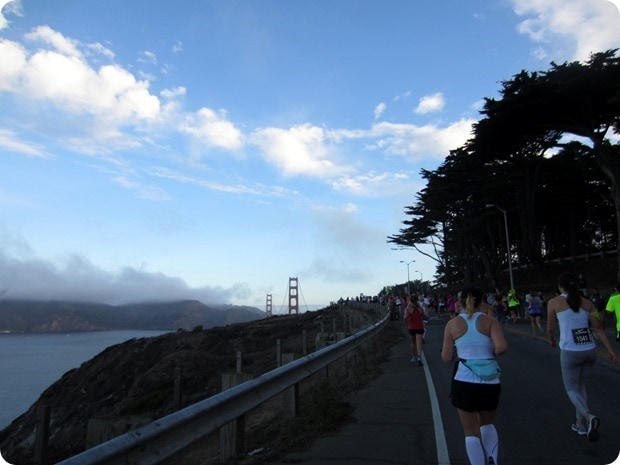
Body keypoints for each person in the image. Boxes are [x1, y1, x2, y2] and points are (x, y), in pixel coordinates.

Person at [441, 287, 508, 465]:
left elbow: (446, 358)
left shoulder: (452, 324)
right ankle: (493, 457)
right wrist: (487, 352)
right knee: (487, 423)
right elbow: (501, 347)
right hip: (490, 380)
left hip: (464, 380)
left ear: (460, 302)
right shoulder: (490, 321)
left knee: (470, 431)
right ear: (482, 301)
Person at [547, 272, 617, 442]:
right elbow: (598, 328)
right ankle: (579, 424)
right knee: (581, 386)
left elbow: (550, 327)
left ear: (560, 287)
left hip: (570, 351)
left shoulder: (554, 302)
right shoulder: (588, 303)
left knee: (571, 388)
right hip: (589, 350)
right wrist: (610, 350)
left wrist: (552, 340)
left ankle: (588, 416)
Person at [404, 294, 425, 366]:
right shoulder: (420, 307)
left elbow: (405, 317)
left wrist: (407, 323)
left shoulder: (408, 308)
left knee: (413, 342)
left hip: (411, 327)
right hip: (419, 326)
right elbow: (424, 315)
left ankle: (413, 357)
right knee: (419, 343)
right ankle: (419, 357)